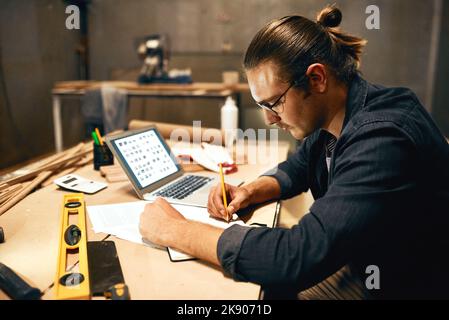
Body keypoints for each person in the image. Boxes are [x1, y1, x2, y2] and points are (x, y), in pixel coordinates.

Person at [139, 5, 449, 299]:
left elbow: (297, 256)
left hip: (400, 286)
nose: (270, 119)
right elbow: (298, 167)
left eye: (274, 104)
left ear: (316, 79)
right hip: (369, 262)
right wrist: (251, 190)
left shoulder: (382, 138)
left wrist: (174, 229)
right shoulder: (336, 114)